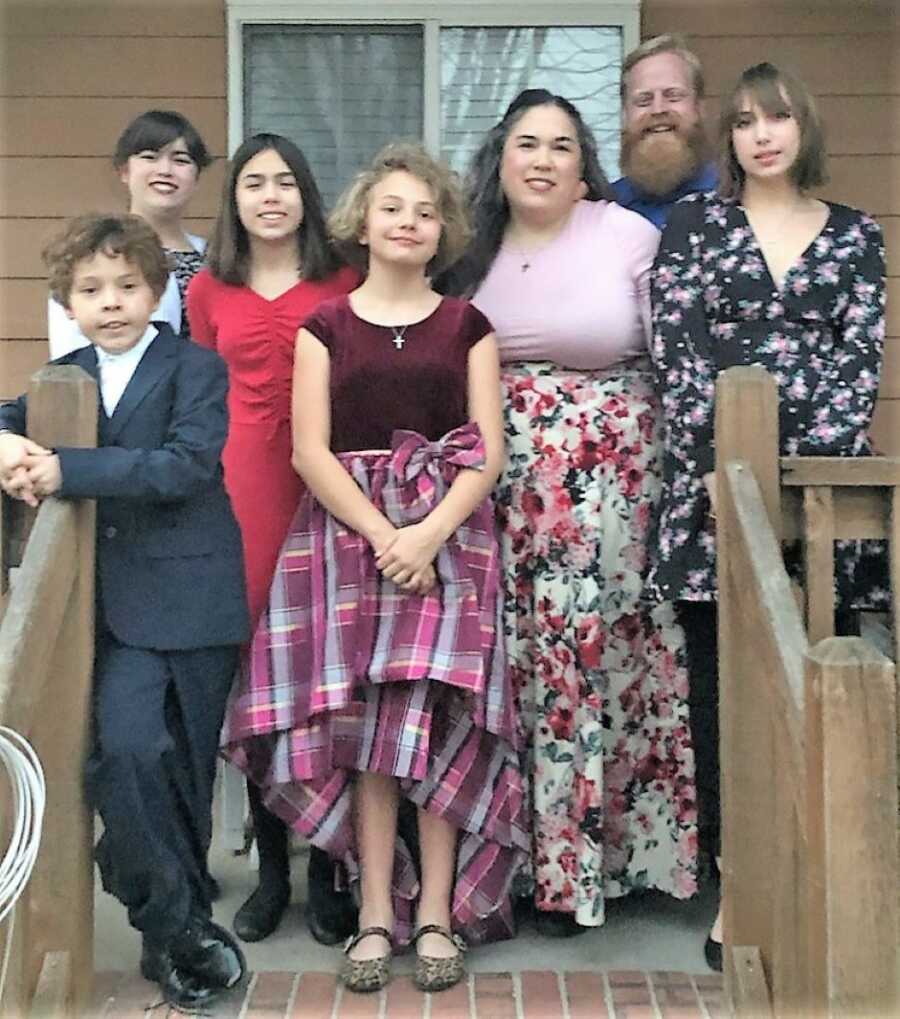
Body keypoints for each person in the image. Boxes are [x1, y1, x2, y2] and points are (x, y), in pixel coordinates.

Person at [223, 142, 528, 994]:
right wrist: (383, 534)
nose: (408, 222)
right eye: (392, 207)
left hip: (450, 543)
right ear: (363, 221)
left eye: (425, 212)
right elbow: (312, 451)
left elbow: (488, 449)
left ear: (443, 233)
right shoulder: (326, 328)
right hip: (348, 544)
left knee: (439, 726)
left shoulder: (468, 325)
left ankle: (434, 910)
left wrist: (426, 535)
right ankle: (372, 916)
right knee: (367, 735)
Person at [438, 89, 698, 938]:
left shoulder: (628, 234)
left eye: (560, 145)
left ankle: (607, 868)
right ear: (501, 158)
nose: (542, 159)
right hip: (501, 502)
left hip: (613, 500)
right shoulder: (471, 251)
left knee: (603, 667)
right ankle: (519, 868)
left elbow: (680, 353)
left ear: (584, 163)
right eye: (526, 143)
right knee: (519, 674)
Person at [649, 62, 886, 971]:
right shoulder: (693, 228)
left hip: (820, 505)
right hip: (711, 500)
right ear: (730, 139)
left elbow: (855, 368)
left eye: (779, 116)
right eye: (745, 120)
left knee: (818, 688)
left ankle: (815, 871)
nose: (762, 133)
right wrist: (731, 466)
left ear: (803, 128)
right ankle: (738, 884)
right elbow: (678, 355)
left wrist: (792, 481)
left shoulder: (856, 239)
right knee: (722, 705)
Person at [0, 214, 249, 1011]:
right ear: (67, 302)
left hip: (194, 596)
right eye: (89, 290)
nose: (110, 303)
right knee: (130, 753)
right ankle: (174, 924)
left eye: (127, 286)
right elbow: (14, 424)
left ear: (157, 291)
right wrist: (9, 449)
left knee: (183, 775)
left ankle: (169, 940)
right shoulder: (63, 376)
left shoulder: (194, 369)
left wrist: (63, 468)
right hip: (112, 615)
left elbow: (184, 464)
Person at [187, 133, 359, 947]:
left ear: (306, 196)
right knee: (258, 681)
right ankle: (272, 871)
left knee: (327, 677)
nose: (270, 195)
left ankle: (329, 870)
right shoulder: (209, 291)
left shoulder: (343, 279)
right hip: (241, 493)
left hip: (324, 488)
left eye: (285, 181)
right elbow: (193, 400)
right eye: (253, 182)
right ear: (236, 201)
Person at [48, 110, 211, 357]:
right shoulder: (89, 250)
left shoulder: (217, 257)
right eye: (150, 157)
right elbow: (69, 355)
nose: (165, 170)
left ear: (197, 176)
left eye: (181, 160)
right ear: (124, 171)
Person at [612, 35, 717, 229]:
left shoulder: (738, 198)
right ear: (625, 113)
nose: (658, 109)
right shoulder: (605, 209)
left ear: (699, 108)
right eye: (643, 100)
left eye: (673, 96)